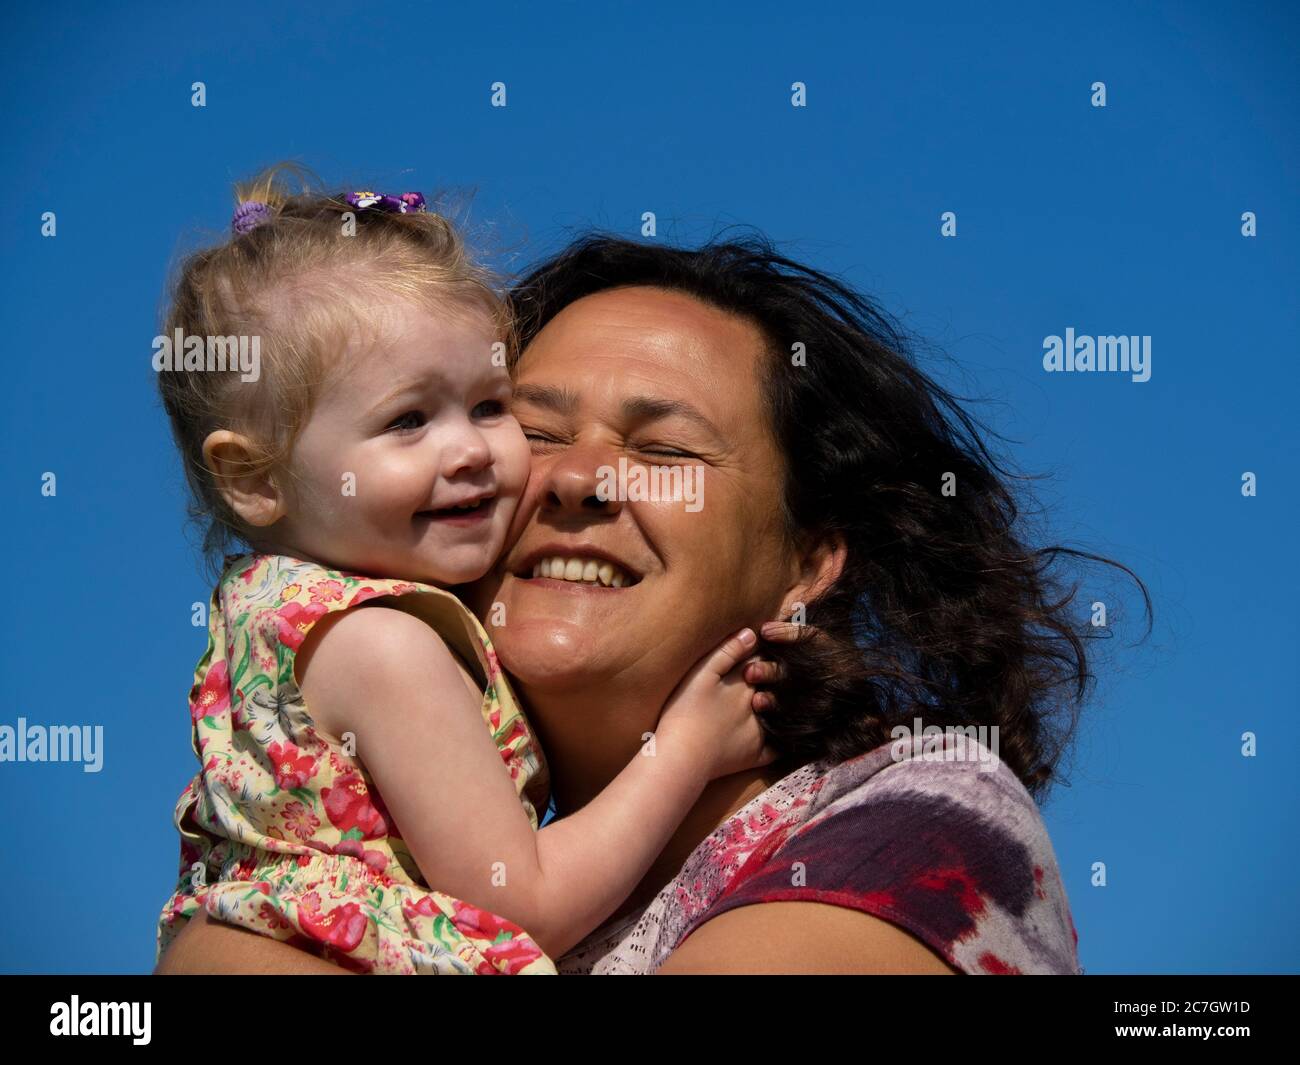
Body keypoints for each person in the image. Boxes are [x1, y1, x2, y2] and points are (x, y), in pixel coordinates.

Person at [157, 232, 1150, 975]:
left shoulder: (913, 815)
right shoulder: (423, 843)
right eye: (535, 429)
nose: (577, 480)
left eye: (665, 453)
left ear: (806, 563)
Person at [152, 169, 780, 976]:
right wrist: (685, 747)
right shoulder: (386, 647)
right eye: (408, 419)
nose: (472, 450)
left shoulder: (274, 618)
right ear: (255, 478)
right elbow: (519, 905)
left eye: (489, 405)